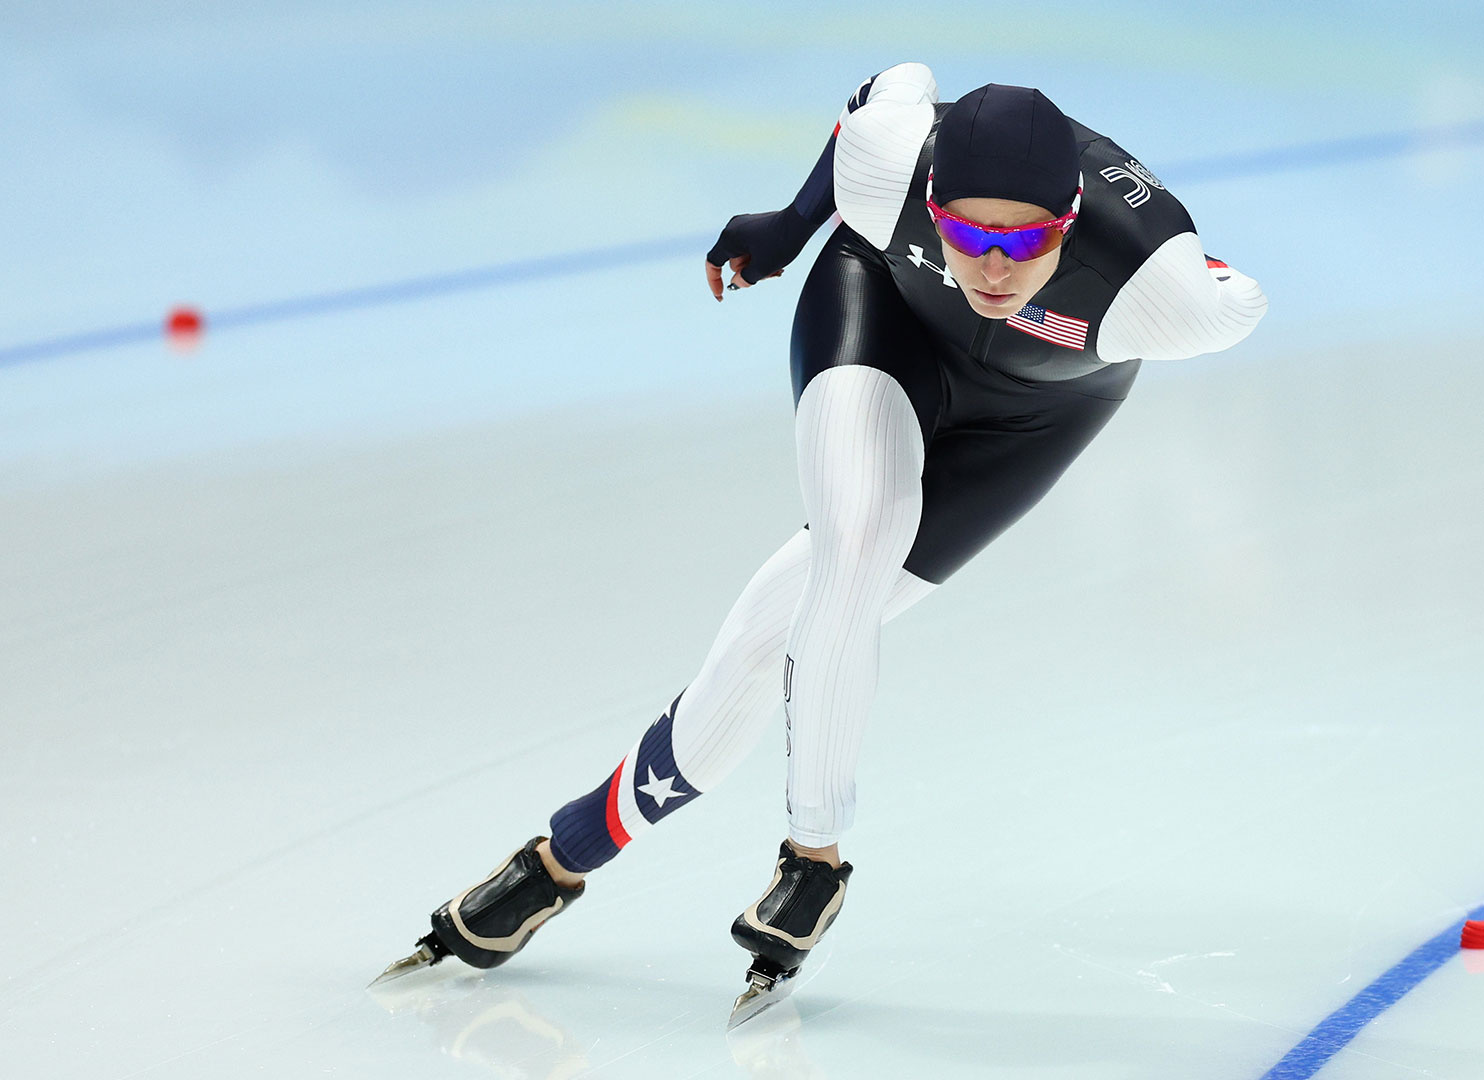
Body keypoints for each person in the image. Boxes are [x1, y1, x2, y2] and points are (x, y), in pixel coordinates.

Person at [376, 63, 1267, 1022]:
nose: (993, 268)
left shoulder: (1165, 292)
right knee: (856, 542)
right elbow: (889, 86)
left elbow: (1238, 295)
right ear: (931, 199)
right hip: (882, 317)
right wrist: (793, 225)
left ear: (1073, 216)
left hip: (1038, 416)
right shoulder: (893, 159)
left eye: (1026, 241)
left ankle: (557, 863)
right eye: (967, 233)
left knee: (767, 647)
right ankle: (815, 858)